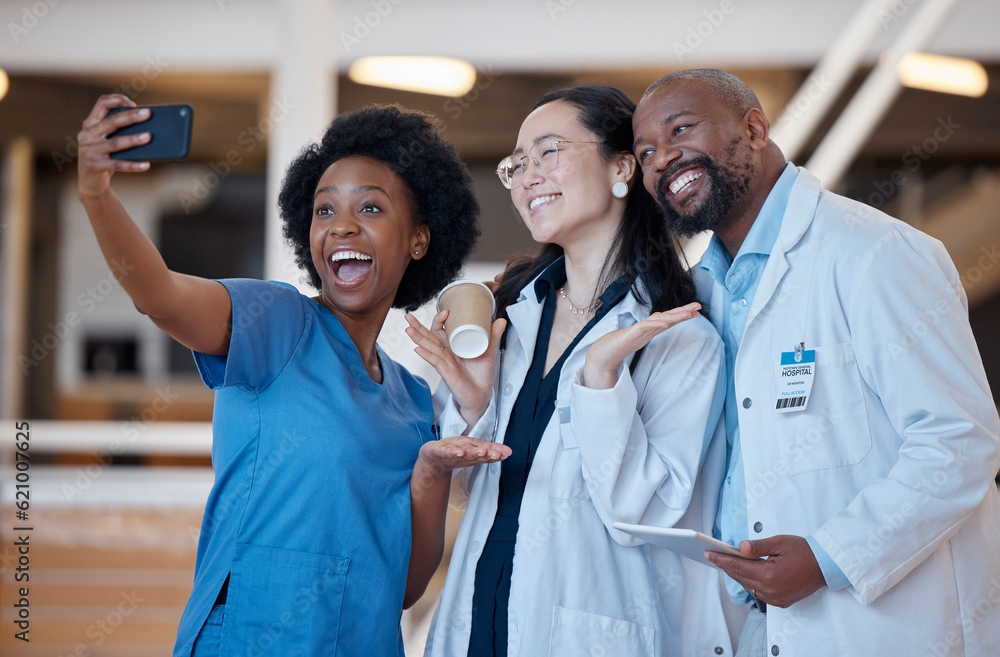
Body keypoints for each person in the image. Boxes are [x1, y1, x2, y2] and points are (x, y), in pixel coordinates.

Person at [76, 96, 511, 656]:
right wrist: (96, 194)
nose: (342, 227)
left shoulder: (412, 399)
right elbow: (158, 295)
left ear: (419, 239)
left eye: (371, 209)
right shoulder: (276, 322)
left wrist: (430, 471)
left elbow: (404, 588)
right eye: (324, 211)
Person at [631, 68, 1000, 656]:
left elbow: (959, 440)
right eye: (645, 151)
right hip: (754, 628)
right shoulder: (701, 294)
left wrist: (829, 557)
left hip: (882, 626)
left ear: (754, 127)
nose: (662, 159)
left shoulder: (874, 253)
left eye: (682, 130)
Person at [408, 85, 733, 656]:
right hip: (476, 625)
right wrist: (473, 405)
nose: (526, 176)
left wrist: (603, 382)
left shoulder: (680, 339)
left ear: (622, 168)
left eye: (549, 151)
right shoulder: (505, 317)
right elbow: (462, 492)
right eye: (517, 164)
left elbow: (645, 512)